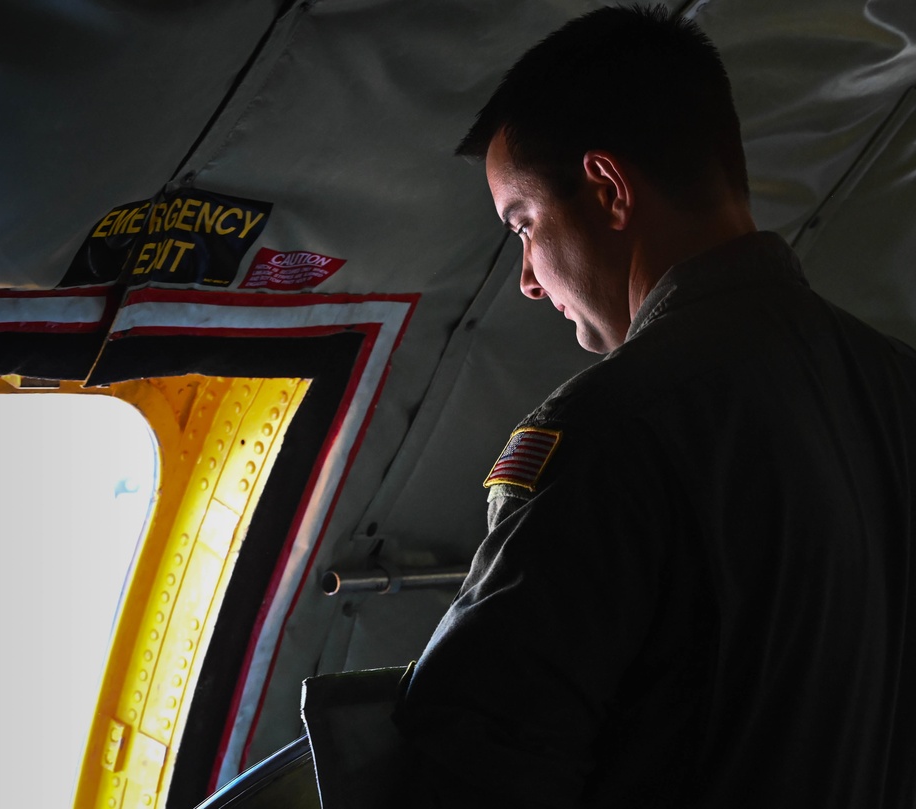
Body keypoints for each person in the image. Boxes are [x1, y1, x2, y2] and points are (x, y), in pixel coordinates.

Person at [393, 5, 916, 808]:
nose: (528, 280)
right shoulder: (895, 384)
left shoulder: (608, 429)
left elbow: (473, 761)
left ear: (605, 188)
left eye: (523, 225)